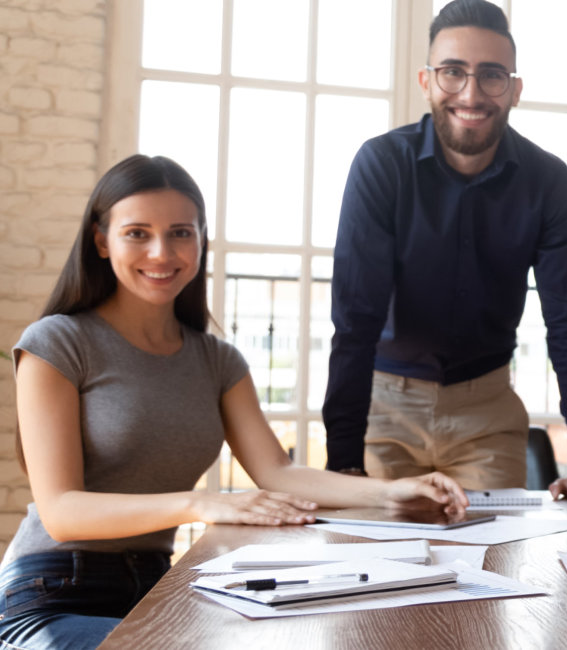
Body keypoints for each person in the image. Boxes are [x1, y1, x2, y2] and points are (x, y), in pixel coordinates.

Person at [4, 154, 469, 650]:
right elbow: (61, 511)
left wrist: (391, 491)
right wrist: (203, 503)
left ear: (201, 241)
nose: (162, 252)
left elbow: (279, 472)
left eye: (181, 233)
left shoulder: (217, 360)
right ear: (101, 240)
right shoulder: (56, 343)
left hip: (160, 589)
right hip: (54, 593)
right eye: (137, 233)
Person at [324, 0, 567, 504]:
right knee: (377, 566)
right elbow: (356, 321)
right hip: (384, 410)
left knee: (491, 573)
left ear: (515, 89)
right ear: (426, 81)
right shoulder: (381, 165)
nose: (471, 93)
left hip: (486, 414)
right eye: (453, 73)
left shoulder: (549, 183)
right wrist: (344, 459)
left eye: (491, 75)